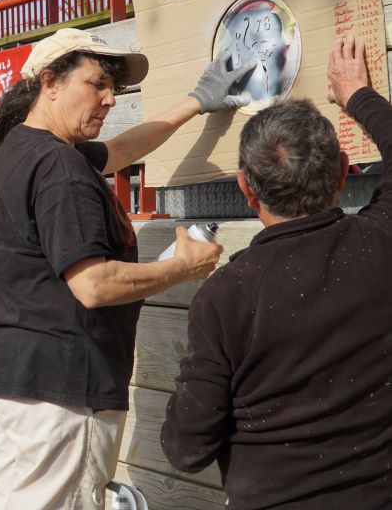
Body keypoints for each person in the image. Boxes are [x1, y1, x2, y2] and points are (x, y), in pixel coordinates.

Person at [0, 27, 256, 509]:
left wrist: (198, 101)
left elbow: (120, 152)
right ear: (50, 82)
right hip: (61, 394)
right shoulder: (60, 169)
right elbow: (93, 285)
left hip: (20, 381)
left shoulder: (21, 148)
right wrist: (183, 267)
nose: (110, 99)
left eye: (112, 87)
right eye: (96, 84)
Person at [161, 35, 392, 509]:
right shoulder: (380, 242)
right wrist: (357, 94)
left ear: (246, 189)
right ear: (343, 171)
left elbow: (186, 449)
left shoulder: (225, 297)